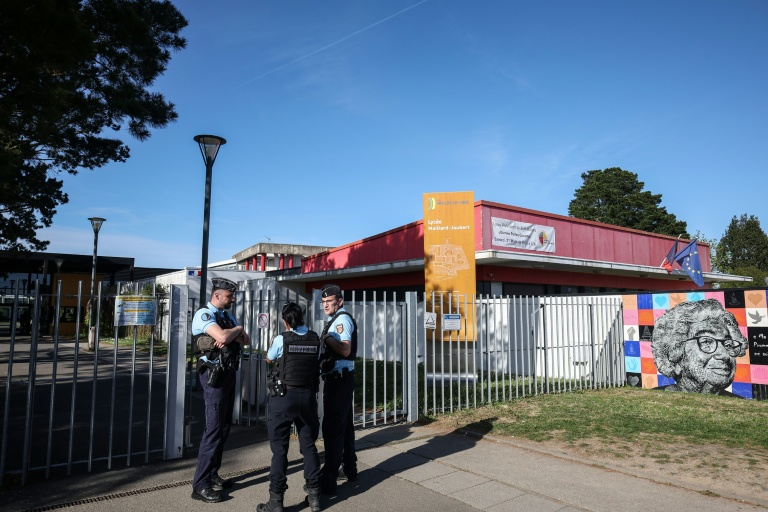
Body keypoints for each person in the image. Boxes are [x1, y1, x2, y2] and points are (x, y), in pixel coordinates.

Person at [258, 302, 323, 512]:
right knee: (309, 446)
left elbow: (269, 359)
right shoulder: (315, 338)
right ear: (302, 317)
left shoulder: (282, 339)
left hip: (284, 398)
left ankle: (276, 501)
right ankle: (315, 497)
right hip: (308, 397)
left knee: (279, 450)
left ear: (285, 321)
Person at [191, 277, 250, 503]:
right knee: (214, 430)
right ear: (217, 295)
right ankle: (200, 485)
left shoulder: (226, 317)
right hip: (213, 376)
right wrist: (235, 331)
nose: (233, 299)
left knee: (224, 428)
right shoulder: (205, 315)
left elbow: (246, 340)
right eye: (229, 295)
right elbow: (225, 337)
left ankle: (212, 474)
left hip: (228, 374)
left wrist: (235, 332)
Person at [651, 298, 747, 397]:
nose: (725, 355)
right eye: (706, 342)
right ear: (675, 356)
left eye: (728, 345)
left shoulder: (741, 404)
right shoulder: (653, 400)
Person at [317, 284, 358, 495]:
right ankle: (349, 468)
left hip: (339, 380)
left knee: (332, 428)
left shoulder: (341, 320)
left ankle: (329, 478)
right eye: (323, 302)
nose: (325, 305)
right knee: (345, 426)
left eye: (329, 301)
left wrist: (327, 338)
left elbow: (345, 349)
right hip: (341, 379)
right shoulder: (335, 319)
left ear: (339, 301)